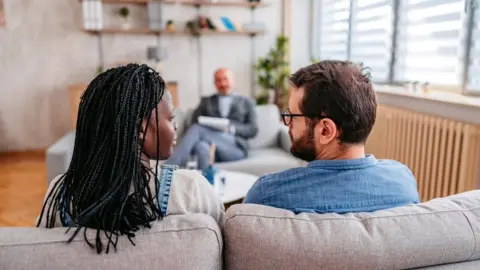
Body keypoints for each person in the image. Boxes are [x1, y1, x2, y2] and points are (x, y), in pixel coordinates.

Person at [37, 64, 224, 253]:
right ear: (141, 128)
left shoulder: (60, 194)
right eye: (170, 118)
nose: (175, 126)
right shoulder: (191, 190)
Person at [244, 60, 419, 214]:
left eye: (292, 116)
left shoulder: (267, 195)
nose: (286, 123)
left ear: (326, 131)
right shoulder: (403, 182)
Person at [165, 68, 258, 170]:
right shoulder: (206, 101)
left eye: (225, 79)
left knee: (197, 129)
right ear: (214, 83)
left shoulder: (246, 102)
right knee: (201, 147)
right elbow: (194, 122)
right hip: (210, 147)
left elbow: (253, 129)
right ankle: (205, 182)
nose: (222, 83)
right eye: (218, 80)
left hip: (235, 148)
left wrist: (231, 129)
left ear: (233, 80)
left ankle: (168, 168)